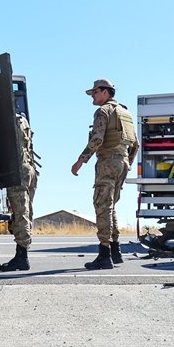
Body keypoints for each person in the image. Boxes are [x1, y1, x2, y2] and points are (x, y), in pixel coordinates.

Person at [70, 79, 139, 270]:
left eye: (95, 92)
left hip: (108, 162)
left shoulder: (103, 111)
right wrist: (126, 163)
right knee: (110, 205)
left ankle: (104, 254)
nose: (92, 96)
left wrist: (80, 160)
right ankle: (115, 251)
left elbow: (97, 139)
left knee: (102, 205)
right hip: (122, 162)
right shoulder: (125, 112)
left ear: (105, 92)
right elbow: (136, 144)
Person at [0, 109, 39, 271]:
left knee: (21, 213)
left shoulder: (10, 121)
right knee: (26, 212)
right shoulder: (22, 119)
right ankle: (22, 253)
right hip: (29, 169)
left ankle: (22, 256)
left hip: (19, 172)